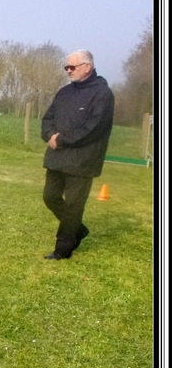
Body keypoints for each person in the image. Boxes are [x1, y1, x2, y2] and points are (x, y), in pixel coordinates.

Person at [40, 49, 115, 260]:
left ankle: (63, 249)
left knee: (73, 204)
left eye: (72, 67)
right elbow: (48, 118)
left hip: (83, 160)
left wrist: (61, 139)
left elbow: (94, 128)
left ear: (87, 67)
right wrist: (49, 135)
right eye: (66, 67)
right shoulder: (64, 92)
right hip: (57, 156)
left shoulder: (102, 94)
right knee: (50, 197)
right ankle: (78, 230)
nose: (68, 71)